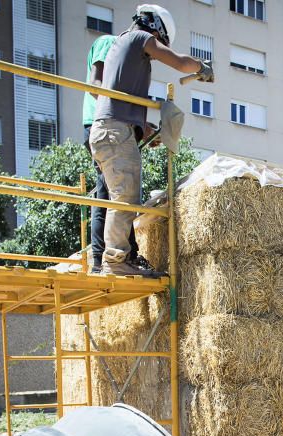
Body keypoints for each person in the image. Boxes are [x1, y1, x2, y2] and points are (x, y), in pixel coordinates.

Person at [89, 4, 213, 277]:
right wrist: (202, 67)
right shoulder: (138, 38)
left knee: (120, 196)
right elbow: (180, 62)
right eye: (160, 41)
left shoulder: (122, 46)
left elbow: (117, 97)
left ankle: (117, 258)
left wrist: (142, 127)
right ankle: (116, 260)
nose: (157, 50)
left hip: (110, 130)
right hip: (114, 131)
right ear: (155, 28)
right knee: (125, 197)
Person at [83, 34, 146, 274]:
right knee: (116, 194)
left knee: (112, 193)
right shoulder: (113, 43)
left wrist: (140, 126)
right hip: (104, 123)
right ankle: (111, 259)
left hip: (105, 124)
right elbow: (96, 83)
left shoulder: (120, 50)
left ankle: (109, 258)